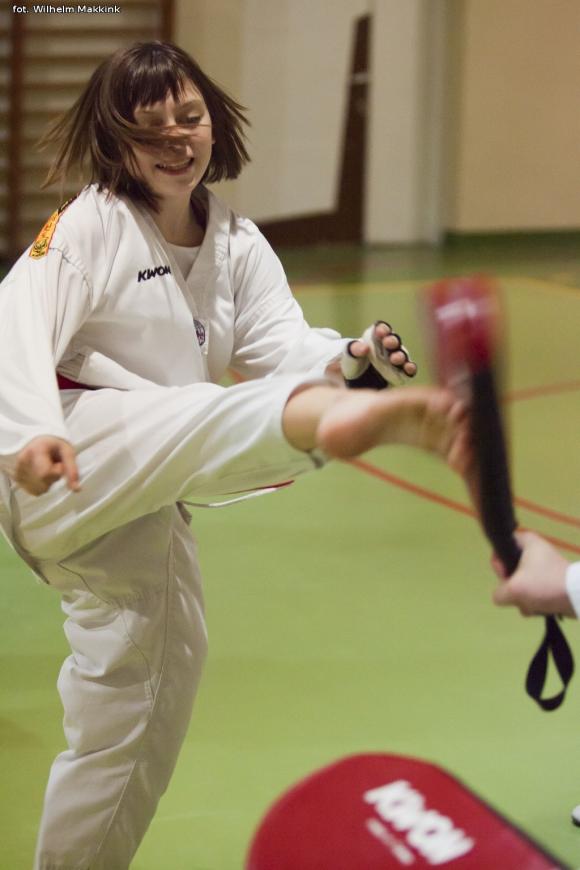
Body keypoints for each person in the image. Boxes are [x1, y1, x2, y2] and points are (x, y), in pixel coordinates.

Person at [0, 41, 471, 870]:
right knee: (191, 414)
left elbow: (282, 340)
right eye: (151, 129)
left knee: (150, 694)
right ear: (116, 143)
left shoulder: (238, 244)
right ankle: (325, 425)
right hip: (66, 455)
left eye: (191, 117)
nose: (178, 139)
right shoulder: (89, 225)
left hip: (144, 493)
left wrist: (349, 357)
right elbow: (15, 321)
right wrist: (28, 434)